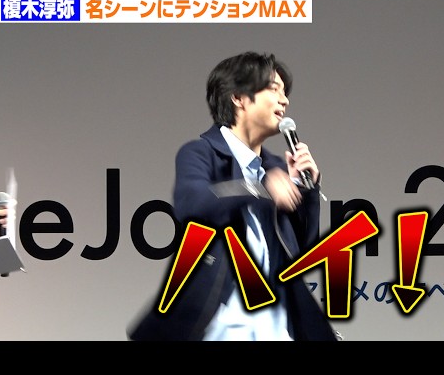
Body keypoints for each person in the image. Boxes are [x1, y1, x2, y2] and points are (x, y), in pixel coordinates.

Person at [127, 51, 338, 341]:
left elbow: (299, 253)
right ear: (238, 97)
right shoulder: (201, 153)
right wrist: (259, 189)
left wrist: (308, 189)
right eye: (273, 89)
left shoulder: (275, 169)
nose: (285, 100)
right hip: (221, 329)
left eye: (285, 93)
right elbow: (192, 204)